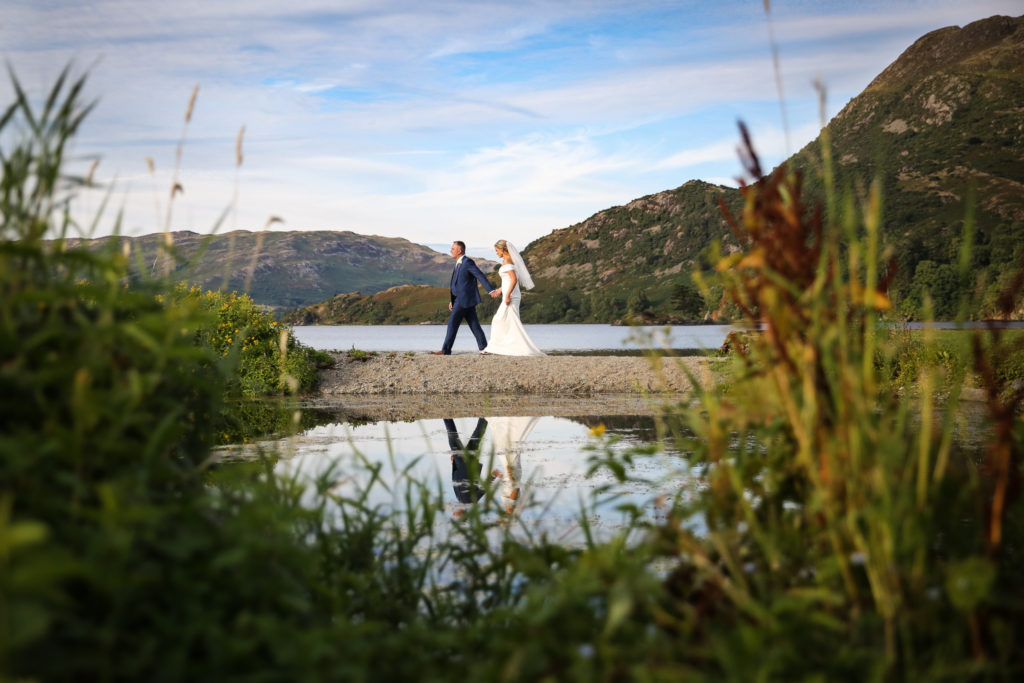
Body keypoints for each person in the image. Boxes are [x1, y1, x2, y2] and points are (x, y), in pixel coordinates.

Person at [432, 241, 501, 355]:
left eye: (453, 249)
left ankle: (446, 350)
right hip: (460, 300)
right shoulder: (458, 263)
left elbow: (480, 275)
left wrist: (491, 290)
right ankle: (484, 349)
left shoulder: (467, 262)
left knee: (452, 323)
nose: (451, 250)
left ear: (459, 251)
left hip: (463, 300)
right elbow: (458, 284)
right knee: (474, 324)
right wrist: (452, 300)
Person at [482, 240, 545, 356]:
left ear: (502, 249)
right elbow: (507, 280)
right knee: (505, 320)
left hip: (511, 296)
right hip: (509, 294)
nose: (496, 253)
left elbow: (514, 279)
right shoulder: (507, 261)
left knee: (498, 319)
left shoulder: (508, 262)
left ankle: (497, 347)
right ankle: (501, 347)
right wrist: (500, 290)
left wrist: (507, 295)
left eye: (497, 250)